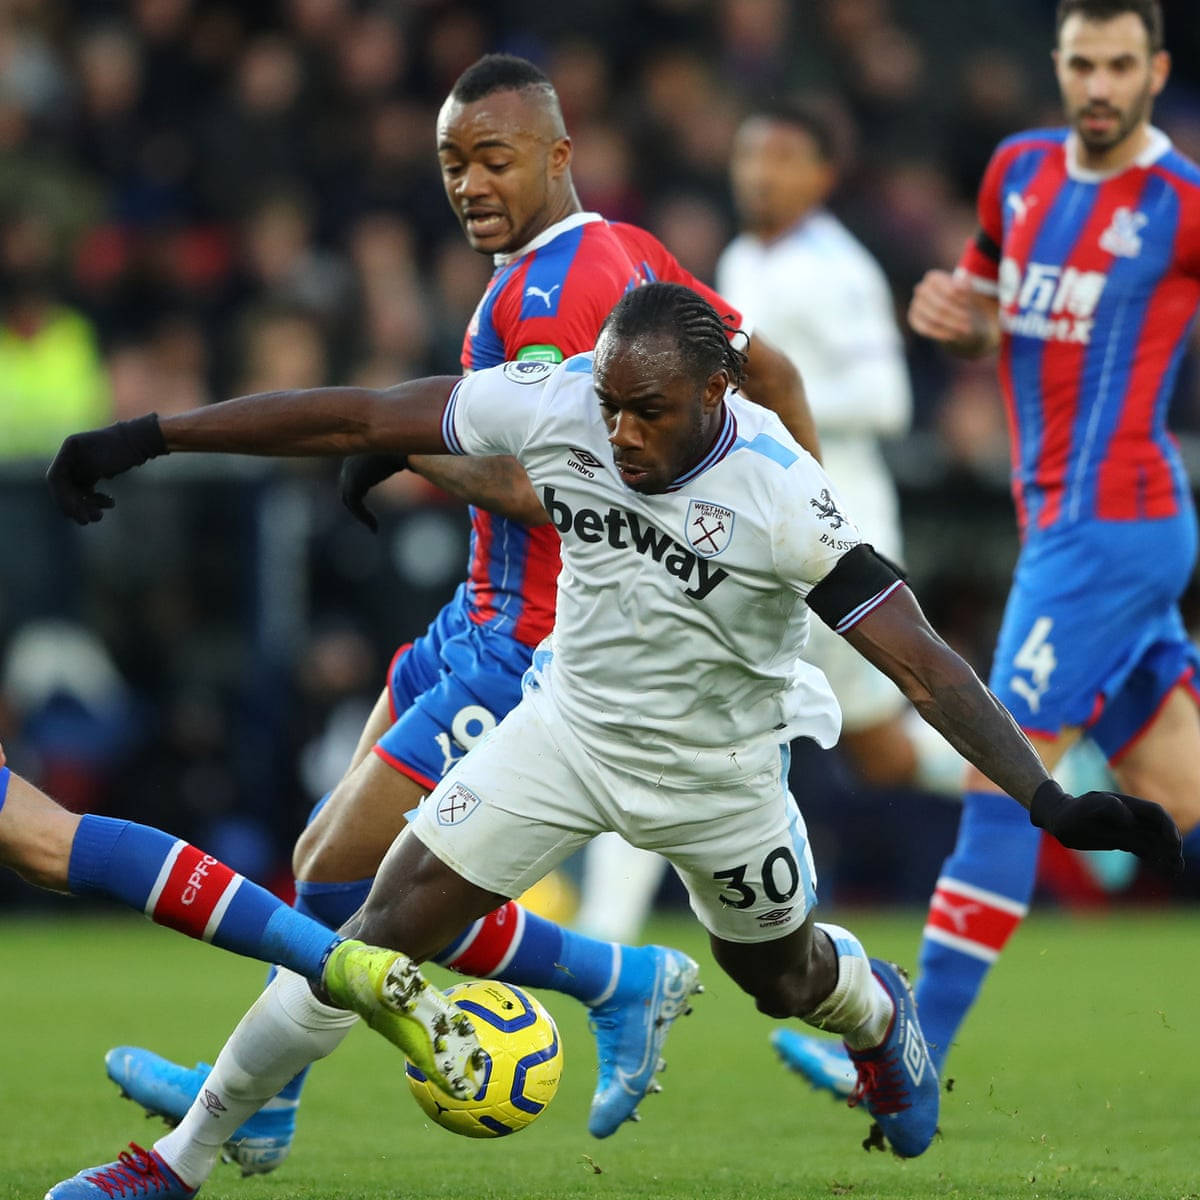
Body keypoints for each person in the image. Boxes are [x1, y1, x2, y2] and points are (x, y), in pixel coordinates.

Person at [45, 281, 1181, 1197]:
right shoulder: (565, 403)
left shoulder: (786, 494)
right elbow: (357, 409)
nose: (623, 431)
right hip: (564, 733)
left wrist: (1045, 798)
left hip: (719, 781)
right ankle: (178, 1162)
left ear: (717, 392)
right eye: (612, 404)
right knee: (374, 934)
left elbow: (922, 659)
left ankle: (878, 1017)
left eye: (652, 412)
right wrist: (149, 435)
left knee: (778, 978)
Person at [98, 51, 820, 1175]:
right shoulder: (616, 254)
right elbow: (764, 367)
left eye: (495, 158)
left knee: (348, 885)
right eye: (452, 163)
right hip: (470, 619)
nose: (471, 183)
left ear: (558, 155)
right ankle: (281, 1095)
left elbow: (548, 486)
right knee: (323, 870)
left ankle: (608, 981)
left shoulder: (567, 289)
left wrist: (410, 452)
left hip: (533, 641)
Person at [768, 0, 1200, 1100]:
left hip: (1113, 529)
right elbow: (987, 304)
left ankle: (905, 1066)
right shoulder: (1018, 172)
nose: (1098, 84)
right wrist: (961, 316)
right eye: (1080, 63)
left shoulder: (1180, 205)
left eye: (1119, 64)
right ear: (1058, 66)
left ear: (1154, 69)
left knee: (999, 777)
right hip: (1064, 523)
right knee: (1181, 791)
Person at [571, 99, 974, 946]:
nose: (760, 172)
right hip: (758, 536)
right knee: (852, 747)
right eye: (751, 155)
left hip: (831, 538)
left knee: (832, 743)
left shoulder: (840, 270)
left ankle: (624, 938)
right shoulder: (744, 258)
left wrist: (754, 394)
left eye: (784, 157)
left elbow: (888, 399)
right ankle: (616, 936)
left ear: (824, 175)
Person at [0, 736, 497, 1167]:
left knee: (334, 867)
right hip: (463, 639)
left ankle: (335, 974)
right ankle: (335, 973)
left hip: (501, 643)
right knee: (45, 840)